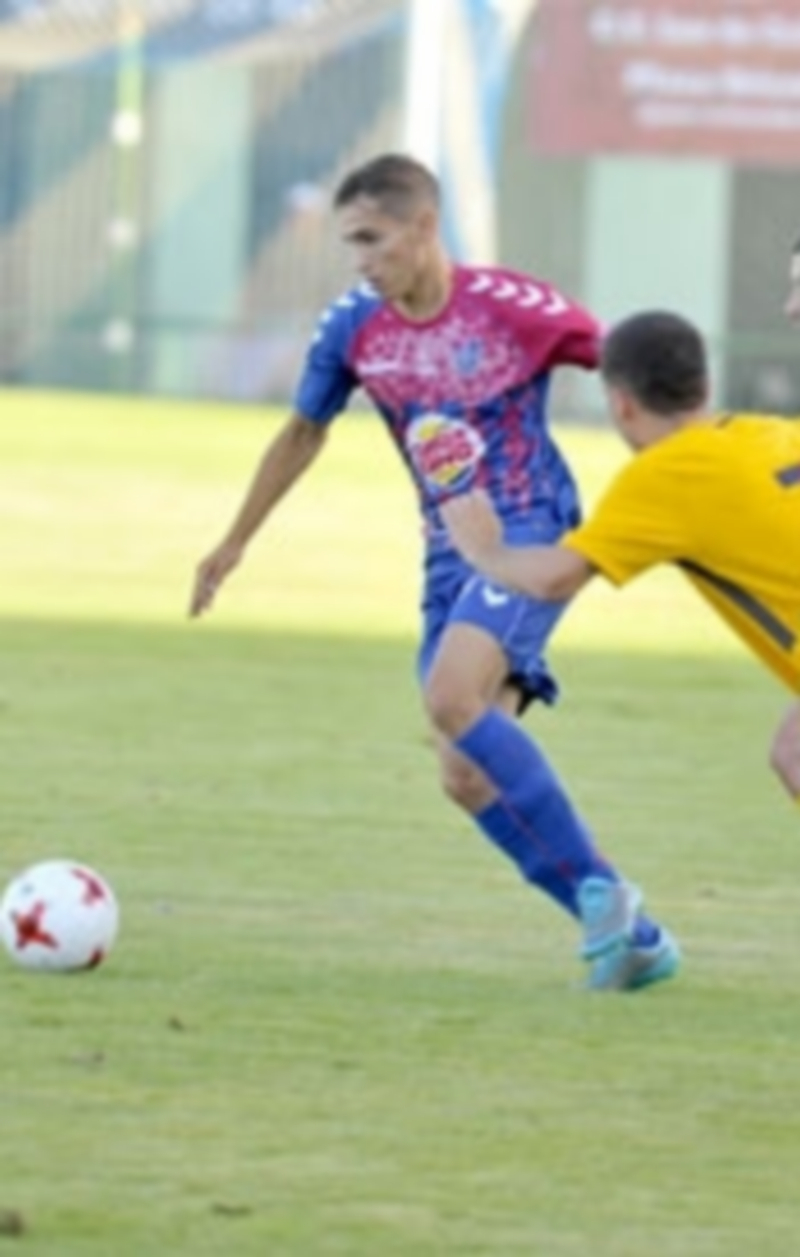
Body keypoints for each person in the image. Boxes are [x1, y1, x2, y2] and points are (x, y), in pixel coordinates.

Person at [189, 153, 677, 992]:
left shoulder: (515, 309)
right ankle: (637, 936)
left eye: (373, 240)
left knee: (449, 696)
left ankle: (603, 890)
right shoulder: (353, 327)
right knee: (461, 768)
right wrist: (233, 543)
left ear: (422, 227)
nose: (361, 261)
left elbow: (639, 376)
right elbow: (304, 431)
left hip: (531, 530)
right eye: (351, 244)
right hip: (451, 553)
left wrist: (699, 484)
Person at [441, 308, 800, 811]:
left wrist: (485, 551)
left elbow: (556, 577)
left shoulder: (664, 475)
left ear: (622, 404)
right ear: (705, 383)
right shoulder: (769, 433)